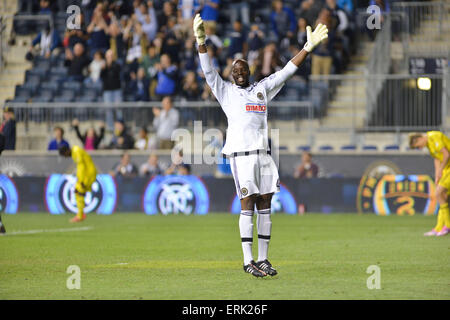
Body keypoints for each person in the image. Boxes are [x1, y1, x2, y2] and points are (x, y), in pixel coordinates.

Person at [193, 14, 328, 277]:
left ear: (249, 71)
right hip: (241, 156)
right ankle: (247, 260)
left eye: (243, 69)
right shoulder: (226, 92)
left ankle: (264, 259)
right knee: (248, 203)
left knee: (265, 203)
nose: (239, 73)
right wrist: (200, 41)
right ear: (231, 75)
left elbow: (288, 70)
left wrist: (307, 48)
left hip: (263, 155)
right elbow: (208, 71)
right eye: (235, 70)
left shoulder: (262, 89)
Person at [409, 132, 450, 236]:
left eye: (418, 146)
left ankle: (448, 226)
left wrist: (441, 170)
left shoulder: (434, 136)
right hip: (446, 169)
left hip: (448, 168)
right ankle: (439, 227)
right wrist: (437, 175)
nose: (419, 148)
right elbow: (437, 159)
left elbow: (446, 154)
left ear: (419, 138)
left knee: (438, 193)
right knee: (442, 196)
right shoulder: (429, 145)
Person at [59, 145, 98, 223]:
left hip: (88, 175)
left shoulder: (76, 152)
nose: (66, 157)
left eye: (65, 155)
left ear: (66, 151)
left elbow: (81, 167)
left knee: (78, 191)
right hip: (88, 174)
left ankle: (80, 215)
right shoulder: (76, 151)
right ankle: (80, 214)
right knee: (79, 192)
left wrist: (82, 180)